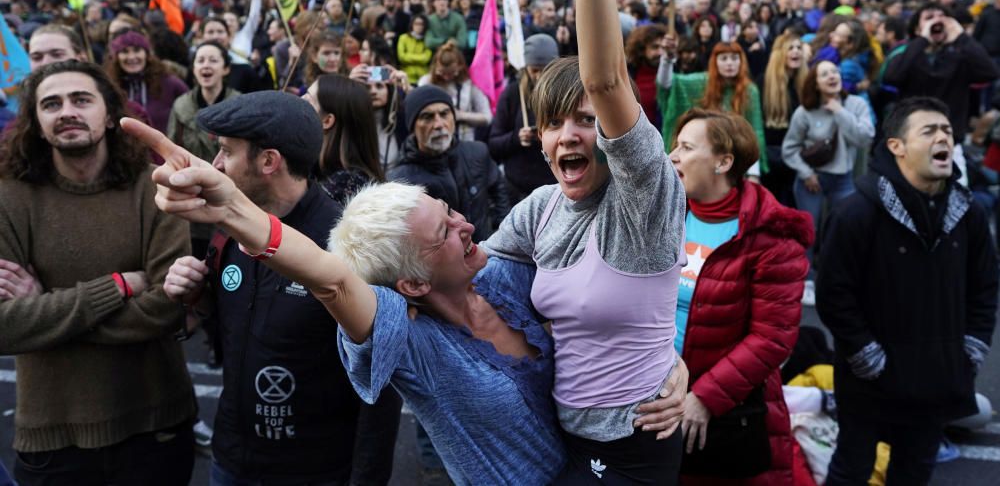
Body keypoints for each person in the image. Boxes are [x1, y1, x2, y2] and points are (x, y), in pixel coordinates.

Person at [120, 125, 688, 486]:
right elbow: (334, 283)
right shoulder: (413, 342)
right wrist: (233, 210)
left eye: (452, 212)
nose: (469, 226)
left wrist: (669, 362)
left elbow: (613, 304)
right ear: (413, 284)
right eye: (446, 231)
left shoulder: (505, 278)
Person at [479, 0, 689, 483]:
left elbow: (607, 83)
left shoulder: (643, 200)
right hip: (557, 429)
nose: (567, 135)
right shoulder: (541, 207)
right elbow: (469, 272)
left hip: (636, 442)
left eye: (584, 122)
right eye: (552, 123)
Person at [161, 91, 402, 485]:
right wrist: (195, 297)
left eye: (225, 151)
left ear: (269, 161)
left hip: (315, 471)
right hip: (231, 460)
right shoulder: (228, 233)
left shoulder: (350, 246)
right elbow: (224, 331)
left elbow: (381, 388)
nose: (216, 165)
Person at [0, 60, 196, 485]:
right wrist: (119, 286)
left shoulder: (157, 186)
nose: (66, 110)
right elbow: (5, 328)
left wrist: (45, 308)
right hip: (52, 438)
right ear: (35, 121)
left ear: (109, 115)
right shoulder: (9, 198)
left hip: (155, 427)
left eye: (81, 100)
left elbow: (167, 308)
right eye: (50, 103)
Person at [818, 97, 999, 485]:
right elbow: (834, 293)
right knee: (852, 470)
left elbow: (984, 289)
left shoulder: (970, 212)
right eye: (929, 131)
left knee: (914, 473)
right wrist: (868, 356)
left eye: (948, 131)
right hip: (869, 383)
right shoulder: (856, 212)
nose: (943, 138)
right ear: (896, 146)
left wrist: (969, 351)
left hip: (938, 379)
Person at [668, 109, 811, 484]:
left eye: (686, 147)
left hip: (727, 412)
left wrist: (704, 398)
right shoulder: (669, 216)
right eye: (675, 146)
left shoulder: (772, 237)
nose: (673, 156)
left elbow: (773, 338)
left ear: (723, 161)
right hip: (662, 403)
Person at [781, 60, 874, 304]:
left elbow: (865, 137)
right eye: (825, 74)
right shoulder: (805, 112)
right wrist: (805, 173)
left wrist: (840, 112)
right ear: (816, 82)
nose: (832, 76)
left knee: (844, 230)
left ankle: (839, 278)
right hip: (812, 180)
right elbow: (789, 148)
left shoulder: (856, 104)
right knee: (809, 231)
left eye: (834, 71)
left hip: (844, 179)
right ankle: (807, 279)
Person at [883, 3, 998, 164]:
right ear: (917, 28)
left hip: (949, 140)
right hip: (912, 138)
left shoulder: (960, 55)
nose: (937, 22)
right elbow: (892, 77)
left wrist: (961, 37)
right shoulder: (908, 52)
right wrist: (922, 40)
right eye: (929, 18)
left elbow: (989, 73)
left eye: (942, 18)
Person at [389, 85, 509, 241]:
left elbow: (500, 196)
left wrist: (500, 239)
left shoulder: (478, 152)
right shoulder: (400, 179)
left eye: (444, 114)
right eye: (427, 117)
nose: (439, 124)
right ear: (412, 126)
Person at [167, 41, 241, 258]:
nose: (206, 65)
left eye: (213, 60)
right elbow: (172, 151)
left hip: (230, 198)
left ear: (225, 69)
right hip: (192, 202)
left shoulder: (239, 103)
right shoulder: (181, 106)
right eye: (200, 60)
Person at [659, 41, 768, 175]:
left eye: (734, 58)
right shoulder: (701, 83)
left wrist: (753, 173)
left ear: (741, 61)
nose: (729, 63)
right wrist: (667, 60)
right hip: (702, 160)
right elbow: (668, 84)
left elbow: (755, 131)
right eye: (724, 58)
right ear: (715, 61)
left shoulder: (750, 91)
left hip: (736, 162)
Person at [487, 34, 560, 204]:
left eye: (546, 69)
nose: (539, 76)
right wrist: (517, 138)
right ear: (526, 68)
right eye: (534, 70)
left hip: (556, 187)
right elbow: (493, 143)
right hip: (518, 188)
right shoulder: (513, 94)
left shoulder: (566, 94)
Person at [305, 73, 384, 205]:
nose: (298, 100)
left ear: (327, 120)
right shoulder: (318, 167)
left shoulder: (347, 184)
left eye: (307, 100)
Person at [104, 29, 188, 133]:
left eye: (137, 50)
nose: (131, 57)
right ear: (116, 57)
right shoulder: (110, 87)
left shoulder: (169, 83)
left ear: (147, 54)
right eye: (125, 51)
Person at [760, 31, 808, 207]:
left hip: (798, 158)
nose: (796, 52)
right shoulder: (763, 83)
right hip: (771, 158)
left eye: (799, 48)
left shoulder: (805, 84)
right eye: (791, 48)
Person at [419, 42, 492, 142]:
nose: (446, 77)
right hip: (435, 139)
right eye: (442, 73)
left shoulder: (470, 84)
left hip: (463, 140)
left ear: (459, 67)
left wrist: (461, 115)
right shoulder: (427, 82)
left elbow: (487, 117)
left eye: (450, 73)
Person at [625, 24, 670, 131]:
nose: (660, 53)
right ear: (642, 49)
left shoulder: (673, 72)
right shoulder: (629, 72)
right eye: (655, 47)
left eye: (663, 48)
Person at [397, 13, 433, 85]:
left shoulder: (428, 39)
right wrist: (419, 58)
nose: (418, 26)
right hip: (407, 77)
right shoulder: (403, 38)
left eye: (421, 24)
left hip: (423, 77)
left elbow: (426, 58)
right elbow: (401, 57)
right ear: (412, 25)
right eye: (416, 24)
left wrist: (409, 56)